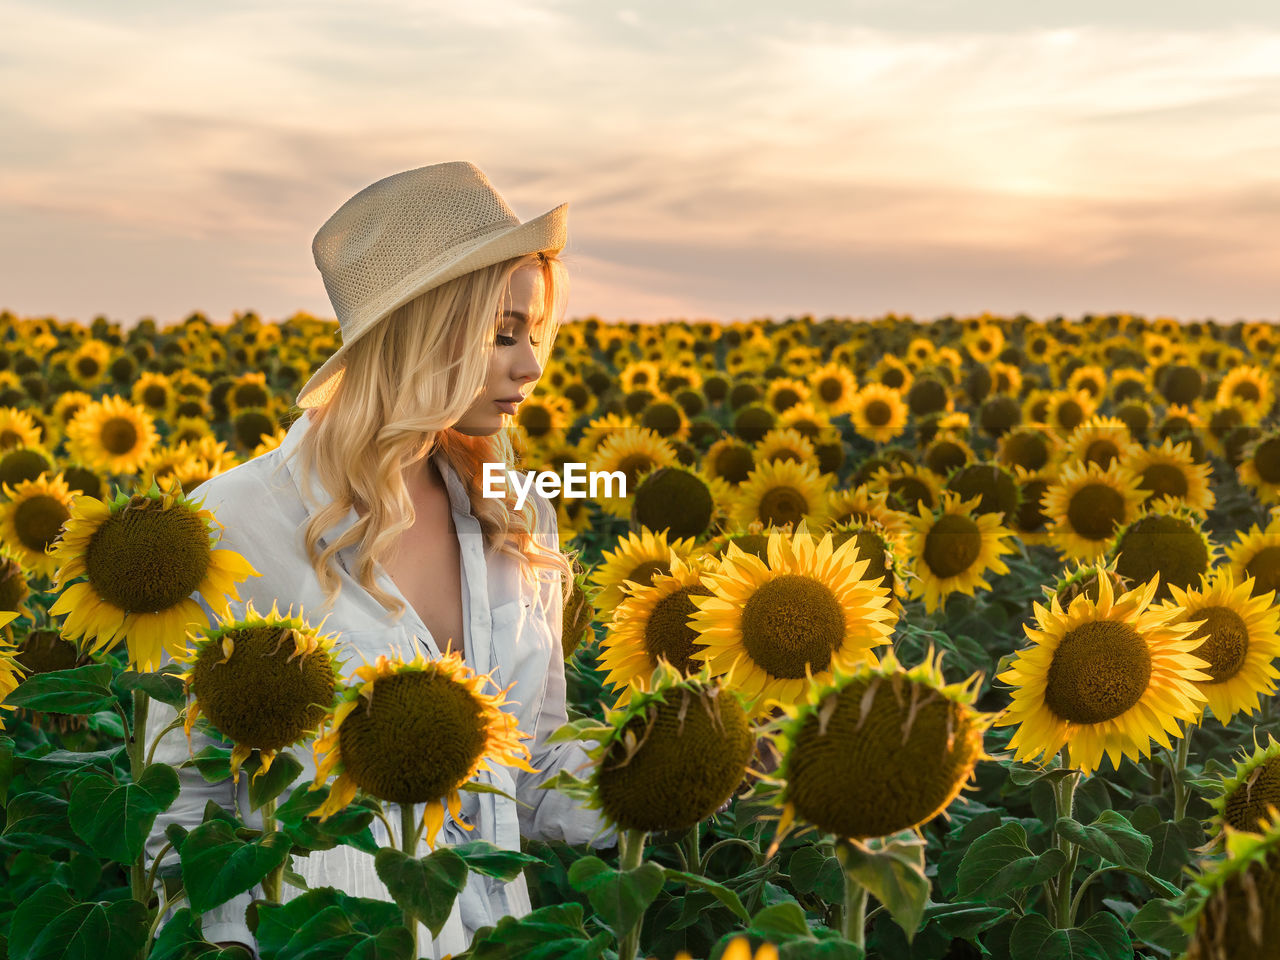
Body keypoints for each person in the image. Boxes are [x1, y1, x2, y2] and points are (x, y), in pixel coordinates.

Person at [144, 161, 614, 958]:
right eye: (502, 333)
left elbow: (529, 780)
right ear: (419, 327)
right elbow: (182, 814)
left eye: (535, 333)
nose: (530, 366)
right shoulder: (233, 524)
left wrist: (698, 752)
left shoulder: (514, 512)